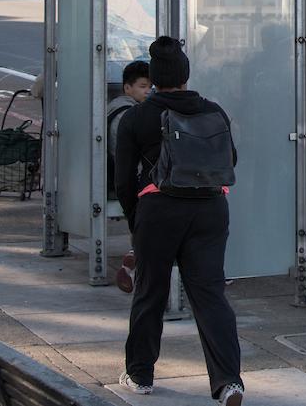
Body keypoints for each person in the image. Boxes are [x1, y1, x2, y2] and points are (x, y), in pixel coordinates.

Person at [114, 37, 244, 405]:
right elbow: (230, 160)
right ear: (186, 74)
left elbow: (123, 180)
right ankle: (228, 382)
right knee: (210, 295)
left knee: (149, 292)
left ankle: (140, 375)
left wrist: (135, 219)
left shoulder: (137, 116)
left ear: (154, 78)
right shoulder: (213, 111)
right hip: (210, 209)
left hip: (159, 211)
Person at [108, 60, 151, 294]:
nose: (148, 91)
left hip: (117, 177)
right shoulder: (128, 115)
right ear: (127, 88)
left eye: (150, 87)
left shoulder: (114, 108)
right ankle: (138, 256)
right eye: (143, 86)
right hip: (124, 180)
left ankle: (136, 257)